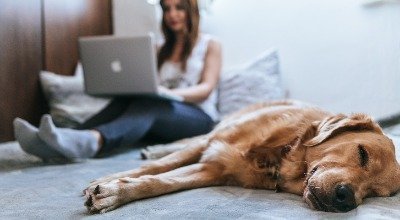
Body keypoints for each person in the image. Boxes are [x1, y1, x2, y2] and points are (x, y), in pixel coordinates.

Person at [13, 0, 222, 161]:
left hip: (199, 117)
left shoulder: (210, 44)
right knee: (130, 101)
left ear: (191, 10)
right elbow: (148, 82)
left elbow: (206, 88)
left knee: (150, 104)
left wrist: (167, 94)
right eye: (167, 9)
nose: (172, 14)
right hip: (161, 112)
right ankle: (60, 139)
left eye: (179, 7)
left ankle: (93, 141)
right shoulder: (159, 48)